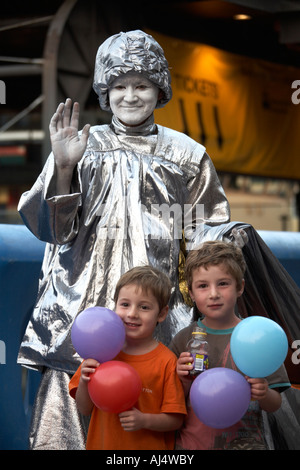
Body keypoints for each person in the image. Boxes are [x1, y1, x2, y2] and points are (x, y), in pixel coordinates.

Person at [17, 30, 231, 449]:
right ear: (105, 91)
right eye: (119, 86)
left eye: (142, 85)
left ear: (160, 90)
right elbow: (50, 230)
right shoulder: (81, 146)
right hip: (77, 323)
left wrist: (200, 314)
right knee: (62, 437)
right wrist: (63, 168)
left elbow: (208, 241)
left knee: (148, 435)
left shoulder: (188, 156)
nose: (130, 96)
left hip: (157, 331)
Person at [169, 241, 291, 450]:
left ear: (240, 287)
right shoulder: (183, 339)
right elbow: (173, 400)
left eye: (223, 283)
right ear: (191, 293)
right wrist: (183, 379)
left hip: (246, 444)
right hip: (192, 445)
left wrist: (263, 393)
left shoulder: (258, 336)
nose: (213, 293)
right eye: (203, 286)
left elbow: (275, 404)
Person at [69, 265, 187, 450]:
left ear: (162, 314)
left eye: (144, 307)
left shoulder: (166, 361)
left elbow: (175, 420)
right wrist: (84, 380)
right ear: (115, 305)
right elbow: (84, 409)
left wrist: (144, 420)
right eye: (125, 304)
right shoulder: (99, 353)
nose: (132, 313)